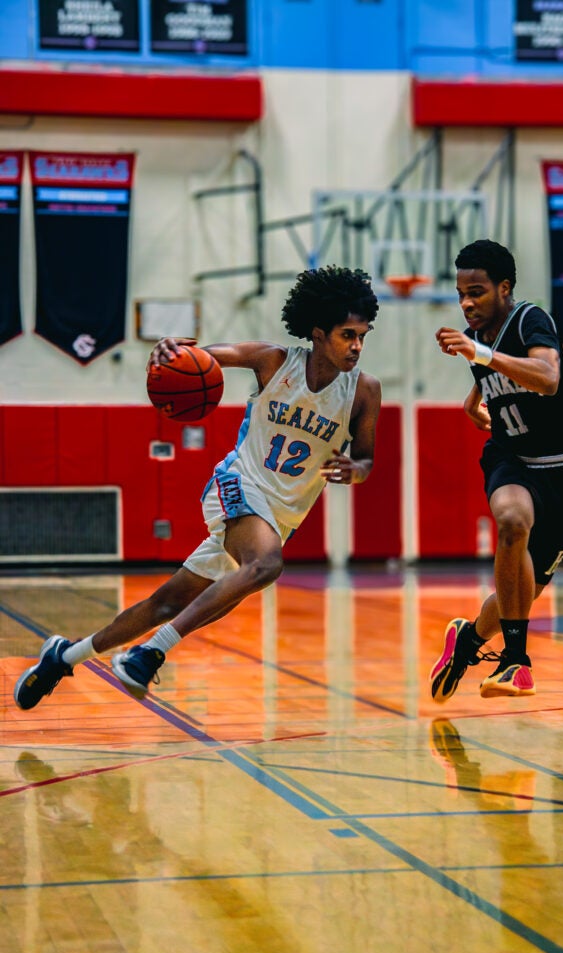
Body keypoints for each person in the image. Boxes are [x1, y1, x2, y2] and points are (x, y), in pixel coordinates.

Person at [14, 266, 381, 708]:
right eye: (347, 335)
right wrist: (170, 350)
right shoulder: (274, 361)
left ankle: (63, 656)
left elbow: (365, 456)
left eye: (363, 335)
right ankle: (148, 655)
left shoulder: (364, 392)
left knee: (167, 603)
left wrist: (355, 470)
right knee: (266, 565)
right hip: (238, 484)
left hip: (282, 516)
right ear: (319, 333)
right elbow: (204, 357)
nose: (357, 346)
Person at [430, 239, 563, 700]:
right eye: (461, 293)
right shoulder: (478, 337)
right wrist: (473, 401)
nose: (466, 303)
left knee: (517, 597)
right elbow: (493, 380)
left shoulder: (529, 319)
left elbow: (547, 377)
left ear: (504, 288)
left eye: (476, 291)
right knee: (511, 520)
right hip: (513, 460)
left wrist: (478, 358)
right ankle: (516, 662)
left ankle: (468, 640)